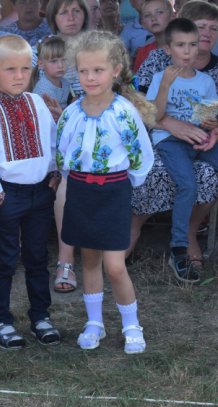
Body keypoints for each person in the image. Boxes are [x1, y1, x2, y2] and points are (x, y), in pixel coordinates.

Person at [56, 31, 154, 354]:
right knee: (89, 259)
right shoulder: (71, 112)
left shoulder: (124, 112)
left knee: (114, 265)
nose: (90, 77)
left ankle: (131, 325)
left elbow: (141, 155)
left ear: (115, 70)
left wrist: (127, 184)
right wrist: (72, 178)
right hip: (82, 191)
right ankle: (94, 322)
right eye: (84, 71)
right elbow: (63, 152)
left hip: (113, 192)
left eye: (98, 70)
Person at [0, 35, 61, 350]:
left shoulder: (37, 103)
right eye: (10, 69)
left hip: (39, 193)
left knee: (37, 256)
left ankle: (40, 316)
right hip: (6, 196)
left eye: (25, 68)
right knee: (5, 260)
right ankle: (1, 322)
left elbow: (51, 143)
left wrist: (54, 171)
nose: (19, 76)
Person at [146, 18, 218, 283]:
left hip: (197, 138)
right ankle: (179, 248)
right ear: (168, 49)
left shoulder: (205, 82)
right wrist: (165, 84)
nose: (187, 51)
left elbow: (206, 119)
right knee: (187, 184)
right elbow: (156, 116)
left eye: (192, 44)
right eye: (180, 45)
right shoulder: (159, 77)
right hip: (170, 140)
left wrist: (210, 131)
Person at [43, 0, 90, 293]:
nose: (71, 17)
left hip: (96, 130)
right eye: (64, 11)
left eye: (77, 10)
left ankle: (106, 255)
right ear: (53, 18)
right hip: (64, 137)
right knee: (66, 184)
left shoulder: (95, 47)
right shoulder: (48, 50)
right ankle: (66, 261)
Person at [32, 35, 71, 115]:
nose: (60, 65)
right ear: (41, 64)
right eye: (53, 61)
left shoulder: (64, 81)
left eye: (64, 59)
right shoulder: (45, 89)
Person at [132, 0, 173, 72]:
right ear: (143, 23)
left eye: (160, 12)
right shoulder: (143, 53)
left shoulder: (184, 45)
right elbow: (136, 82)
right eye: (147, 15)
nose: (153, 18)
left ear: (172, 16)